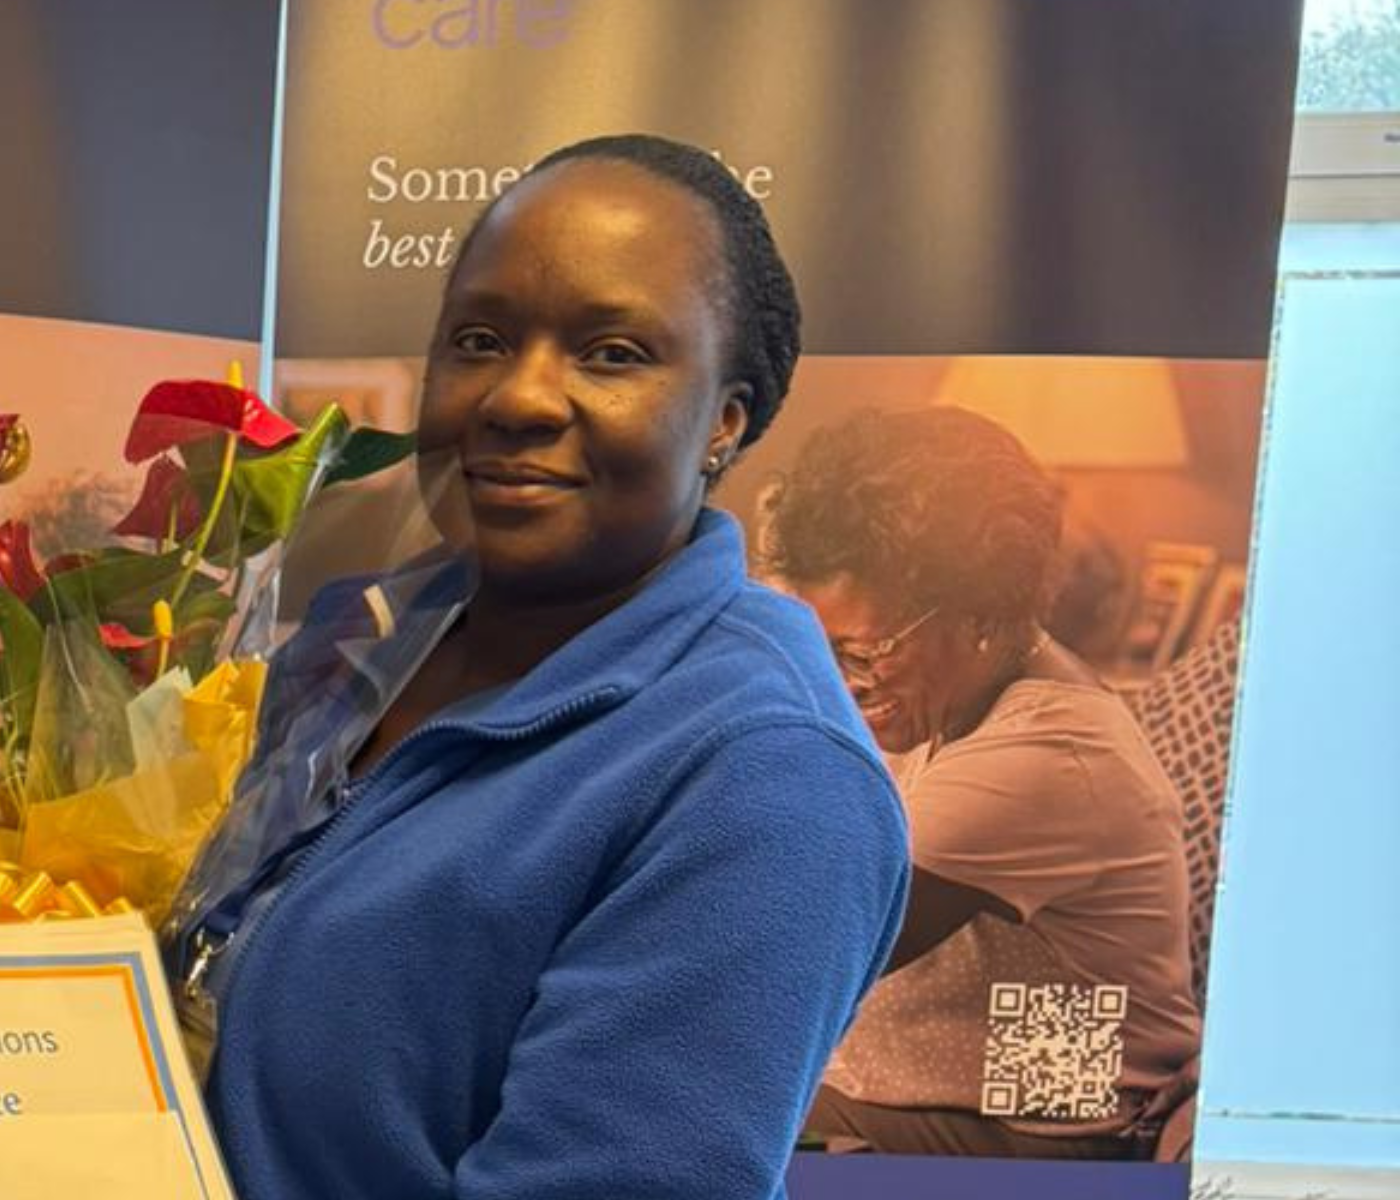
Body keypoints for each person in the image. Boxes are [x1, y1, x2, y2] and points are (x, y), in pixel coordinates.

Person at [170, 133, 908, 1199]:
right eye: (479, 339)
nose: (517, 399)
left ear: (726, 420)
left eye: (612, 353)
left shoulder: (764, 776)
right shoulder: (354, 643)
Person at [770, 406, 1199, 1159]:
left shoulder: (1048, 756)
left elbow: (805, 951)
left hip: (1047, 1131)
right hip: (969, 1086)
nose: (840, 679)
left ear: (980, 615)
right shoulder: (959, 696)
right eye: (821, 645)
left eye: (864, 650)